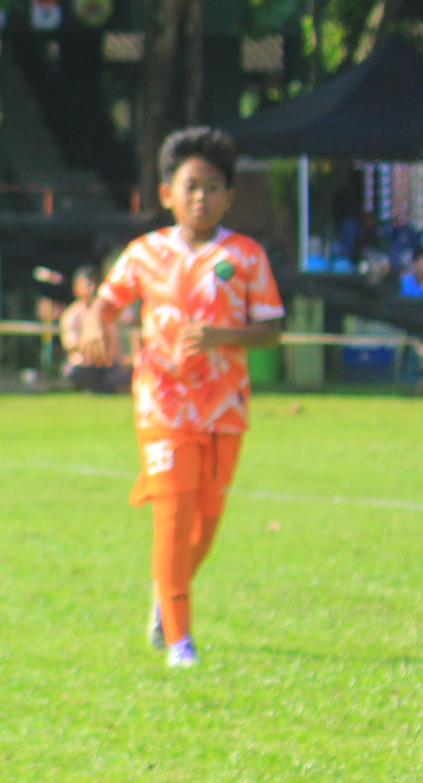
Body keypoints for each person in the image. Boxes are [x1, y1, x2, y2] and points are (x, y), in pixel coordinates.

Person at [75, 126, 283, 668]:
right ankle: (180, 641)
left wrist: (223, 336)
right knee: (172, 514)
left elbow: (271, 328)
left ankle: (164, 597)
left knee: (206, 524)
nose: (201, 197)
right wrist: (97, 325)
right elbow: (107, 301)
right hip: (162, 405)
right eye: (191, 186)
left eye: (214, 187)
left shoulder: (245, 256)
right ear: (166, 192)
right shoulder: (144, 253)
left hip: (226, 407)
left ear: (229, 195)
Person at [57, 265, 128, 394]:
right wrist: (94, 348)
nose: (91, 288)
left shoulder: (108, 312)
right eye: (86, 284)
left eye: (94, 283)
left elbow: (128, 321)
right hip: (84, 365)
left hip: (108, 365)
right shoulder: (72, 315)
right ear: (76, 288)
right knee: (72, 372)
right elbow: (70, 344)